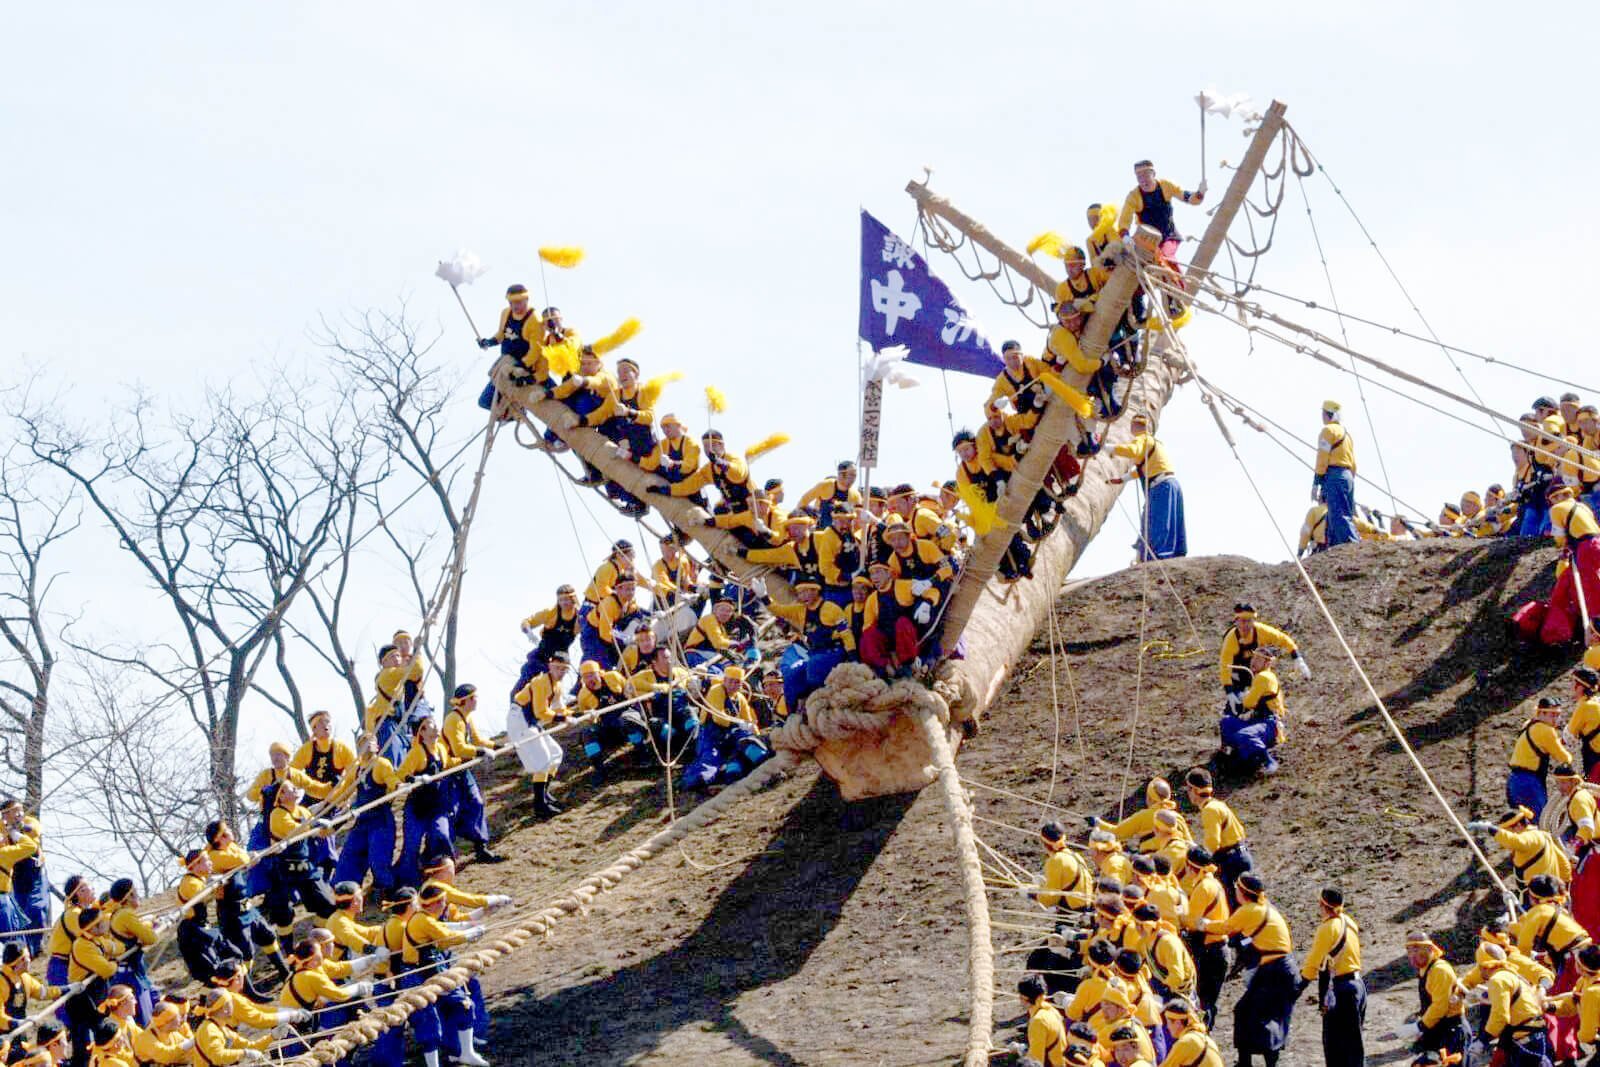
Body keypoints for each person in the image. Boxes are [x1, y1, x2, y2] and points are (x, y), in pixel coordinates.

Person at [1200, 874, 1295, 1067]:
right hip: (1284, 968)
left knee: (1245, 1011)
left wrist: (1204, 924)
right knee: (1270, 1014)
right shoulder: (1266, 908)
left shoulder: (1248, 910)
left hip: (1273, 970)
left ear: (1242, 893)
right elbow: (1249, 938)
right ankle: (1263, 1061)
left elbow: (1225, 928)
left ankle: (1247, 1062)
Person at [400, 883, 488, 1067]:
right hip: (423, 974)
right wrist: (473, 933)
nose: (445, 906)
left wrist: (468, 927)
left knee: (454, 1008)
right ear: (433, 904)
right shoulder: (425, 920)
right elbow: (449, 938)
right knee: (445, 1013)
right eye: (442, 902)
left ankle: (461, 1052)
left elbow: (445, 932)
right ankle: (461, 1054)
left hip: (427, 970)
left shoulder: (423, 918)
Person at [1298, 887, 1365, 1067]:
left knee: (1336, 1048)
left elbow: (1314, 960)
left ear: (1322, 905)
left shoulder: (1327, 928)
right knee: (1354, 1044)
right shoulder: (1349, 922)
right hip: (1358, 985)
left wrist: (1301, 984)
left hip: (1342, 990)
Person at [262, 783, 338, 938]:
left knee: (327, 906)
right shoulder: (277, 814)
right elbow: (297, 830)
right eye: (291, 789)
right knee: (284, 914)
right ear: (281, 796)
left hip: (305, 867)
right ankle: (289, 951)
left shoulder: (302, 811)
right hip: (283, 870)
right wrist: (316, 823)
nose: (296, 789)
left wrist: (338, 822)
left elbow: (321, 833)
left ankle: (315, 940)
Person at [329, 731, 399, 896]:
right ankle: (344, 891)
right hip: (362, 820)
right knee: (350, 855)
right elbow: (345, 790)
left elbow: (392, 782)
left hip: (380, 819)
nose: (367, 745)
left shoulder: (381, 764)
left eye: (371, 741)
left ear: (377, 746)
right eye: (362, 742)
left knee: (378, 857)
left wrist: (397, 786)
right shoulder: (357, 769)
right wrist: (326, 804)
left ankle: (385, 891)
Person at [440, 685, 503, 864]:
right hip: (450, 772)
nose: (476, 701)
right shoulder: (454, 720)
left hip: (463, 769)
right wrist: (481, 752)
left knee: (477, 802)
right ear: (465, 700)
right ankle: (444, 853)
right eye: (474, 698)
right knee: (452, 811)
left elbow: (477, 740)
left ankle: (480, 847)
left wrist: (495, 746)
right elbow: (459, 748)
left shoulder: (467, 718)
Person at [1110, 413, 1186, 560]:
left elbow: (1132, 451)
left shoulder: (1142, 439)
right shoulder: (1154, 442)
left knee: (1155, 520)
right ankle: (1174, 552)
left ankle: (1155, 556)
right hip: (1171, 484)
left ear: (1133, 427)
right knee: (1171, 520)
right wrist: (1122, 479)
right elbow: (1143, 469)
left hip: (1161, 486)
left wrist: (1107, 447)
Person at [768, 580, 853, 710]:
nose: (802, 596)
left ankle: (819, 706)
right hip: (814, 652)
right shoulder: (800, 609)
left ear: (815, 591)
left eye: (805, 592)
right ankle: (792, 716)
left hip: (834, 651)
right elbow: (779, 610)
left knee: (814, 667)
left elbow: (846, 633)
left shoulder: (831, 608)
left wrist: (853, 655)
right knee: (791, 677)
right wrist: (763, 596)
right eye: (800, 593)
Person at [683, 667, 769, 793]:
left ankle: (759, 763)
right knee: (710, 761)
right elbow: (719, 718)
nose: (733, 685)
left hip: (729, 736)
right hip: (710, 736)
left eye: (737, 682)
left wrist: (756, 734)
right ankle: (699, 784)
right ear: (724, 680)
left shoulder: (740, 698)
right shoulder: (716, 691)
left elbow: (749, 721)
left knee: (744, 743)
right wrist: (740, 723)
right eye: (730, 681)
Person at [394, 717, 459, 884]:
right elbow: (401, 774)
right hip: (417, 808)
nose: (437, 730)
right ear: (421, 732)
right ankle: (406, 881)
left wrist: (476, 754)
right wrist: (414, 778)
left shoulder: (441, 749)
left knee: (441, 835)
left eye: (437, 726)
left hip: (437, 805)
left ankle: (442, 870)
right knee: (412, 845)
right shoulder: (416, 753)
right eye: (432, 727)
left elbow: (450, 763)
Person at [509, 653, 569, 818]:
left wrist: (579, 714)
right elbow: (541, 712)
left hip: (532, 723)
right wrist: (563, 718)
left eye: (564, 669)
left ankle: (544, 794)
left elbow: (560, 709)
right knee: (543, 759)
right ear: (550, 666)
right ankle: (539, 804)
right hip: (521, 719)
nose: (560, 672)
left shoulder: (557, 686)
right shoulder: (541, 682)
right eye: (557, 668)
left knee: (556, 753)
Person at [1182, 770, 1253, 903]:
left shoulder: (1210, 810)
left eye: (1189, 789)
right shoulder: (1217, 805)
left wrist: (1198, 855)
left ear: (1194, 790)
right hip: (1240, 856)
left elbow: (1213, 843)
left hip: (1232, 862)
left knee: (1233, 905)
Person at [1178, 847, 1229, 1030]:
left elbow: (1192, 923)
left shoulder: (1202, 888)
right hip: (1218, 949)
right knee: (1209, 1001)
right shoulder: (1214, 884)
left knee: (1203, 1002)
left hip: (1209, 951)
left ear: (1191, 867)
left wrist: (1178, 916)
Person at [1474, 941, 1548, 1066]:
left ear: (1485, 967)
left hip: (1525, 1039)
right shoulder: (1511, 974)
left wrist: (1482, 1040)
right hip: (1535, 1035)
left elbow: (1500, 1016)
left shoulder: (1497, 980)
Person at [1219, 649, 1287, 777]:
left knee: (1244, 735)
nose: (1253, 662)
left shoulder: (1264, 677)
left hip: (1270, 724)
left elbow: (1249, 703)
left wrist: (1241, 698)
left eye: (1258, 659)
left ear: (1267, 663)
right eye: (1253, 658)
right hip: (1258, 720)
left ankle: (1268, 761)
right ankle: (1234, 755)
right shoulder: (1259, 677)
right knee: (1227, 722)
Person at [1117, 160, 1206, 258]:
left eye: (1146, 175)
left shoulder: (1165, 185)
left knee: (1165, 258)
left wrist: (1199, 193)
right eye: (1139, 177)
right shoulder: (1133, 196)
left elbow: (1186, 197)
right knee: (1126, 259)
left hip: (1169, 236)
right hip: (1146, 239)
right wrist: (1125, 236)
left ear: (1153, 174)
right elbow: (1125, 220)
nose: (1143, 180)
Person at [1398, 933, 1465, 1058]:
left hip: (1450, 1030)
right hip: (1436, 1025)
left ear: (1430, 949)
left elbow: (1440, 1006)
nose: (1412, 955)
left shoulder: (1439, 971)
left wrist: (1419, 1026)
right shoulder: (1426, 968)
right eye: (1409, 950)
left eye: (1416, 949)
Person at [475, 284, 542, 409]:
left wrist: (519, 367)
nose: (514, 306)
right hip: (505, 363)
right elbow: (501, 334)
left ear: (526, 300)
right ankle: (509, 414)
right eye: (511, 302)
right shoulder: (506, 313)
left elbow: (535, 351)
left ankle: (516, 412)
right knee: (485, 401)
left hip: (522, 368)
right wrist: (488, 342)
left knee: (491, 399)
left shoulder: (535, 320)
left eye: (518, 302)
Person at [1468, 807, 1571, 888]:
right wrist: (1565, 882)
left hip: (1540, 891)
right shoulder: (1542, 835)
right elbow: (1562, 861)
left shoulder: (1531, 837)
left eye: (1508, 830)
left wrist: (1490, 829)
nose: (1508, 833)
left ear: (1518, 826)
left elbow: (1515, 841)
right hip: (1547, 888)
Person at [1504, 696, 1572, 815]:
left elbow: (1542, 744)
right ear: (1541, 713)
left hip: (1514, 780)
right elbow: (1564, 758)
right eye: (1552, 715)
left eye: (1558, 715)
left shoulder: (1528, 724)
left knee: (1521, 822)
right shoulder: (1546, 730)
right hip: (1530, 783)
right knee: (1541, 820)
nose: (1556, 719)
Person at [1217, 605, 1305, 697]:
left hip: (1255, 663)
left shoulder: (1260, 630)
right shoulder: (1231, 639)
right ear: (1236, 621)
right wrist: (1229, 691)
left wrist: (1297, 658)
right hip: (1237, 669)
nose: (1245, 625)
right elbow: (1224, 666)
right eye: (1242, 621)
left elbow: (1284, 639)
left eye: (1249, 621)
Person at [1313, 401, 1359, 547]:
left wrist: (1316, 482)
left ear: (1328, 415)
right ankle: (1337, 548)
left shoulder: (1328, 431)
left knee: (1338, 516)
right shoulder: (1346, 434)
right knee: (1342, 515)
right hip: (1348, 476)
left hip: (1335, 475)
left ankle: (1352, 546)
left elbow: (1322, 457)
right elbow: (1353, 463)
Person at [190, 988, 272, 1066]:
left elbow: (251, 1047)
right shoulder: (209, 1030)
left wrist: (272, 1037)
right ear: (225, 1008)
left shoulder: (222, 1029)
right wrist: (244, 1053)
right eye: (231, 1003)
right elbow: (217, 1057)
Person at [1012, 974, 1067, 1066]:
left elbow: (1036, 1061)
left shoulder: (1038, 1021)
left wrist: (1021, 1051)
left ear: (1024, 998)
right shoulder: (1051, 1010)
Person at [1156, 998, 1222, 1067]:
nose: (1167, 1027)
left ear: (1178, 1023)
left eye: (1168, 1023)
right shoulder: (1200, 1035)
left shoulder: (1186, 1042)